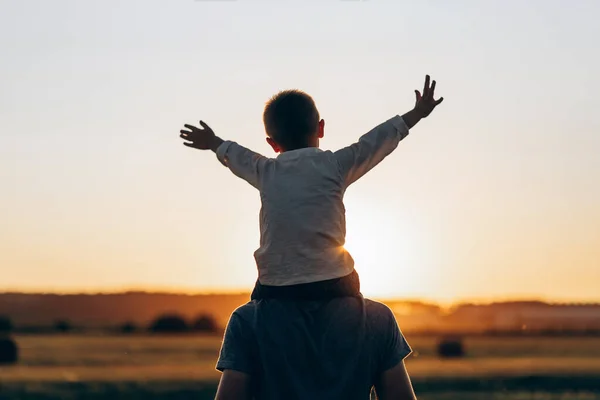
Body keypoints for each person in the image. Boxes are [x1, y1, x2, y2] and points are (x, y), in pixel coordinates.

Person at [180, 75, 443, 399]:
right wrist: (416, 114)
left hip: (275, 289)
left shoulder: (266, 170)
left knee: (259, 305)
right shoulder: (334, 164)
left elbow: (234, 154)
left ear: (272, 143)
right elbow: (376, 143)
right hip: (336, 283)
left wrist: (213, 141)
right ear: (320, 128)